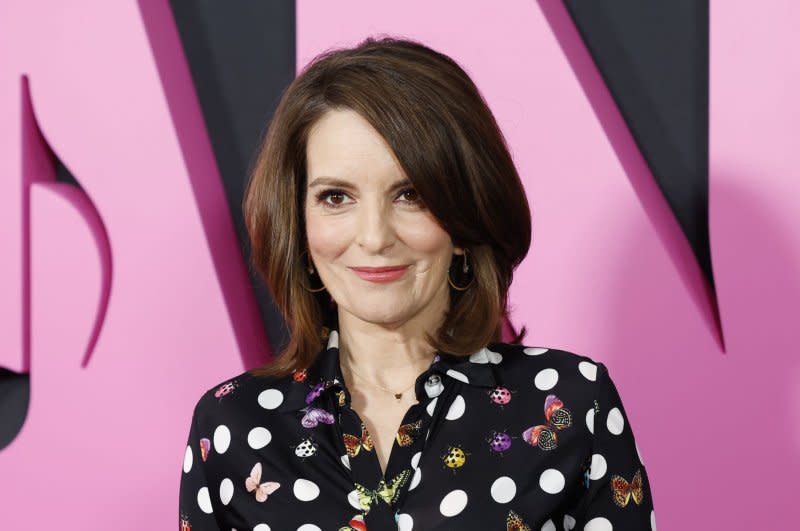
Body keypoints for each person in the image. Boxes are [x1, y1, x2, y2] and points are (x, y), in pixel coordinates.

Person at [178, 36, 655, 531]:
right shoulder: (232, 426)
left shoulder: (572, 404)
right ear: (298, 226)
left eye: (410, 194)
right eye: (337, 197)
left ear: (466, 216)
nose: (375, 237)